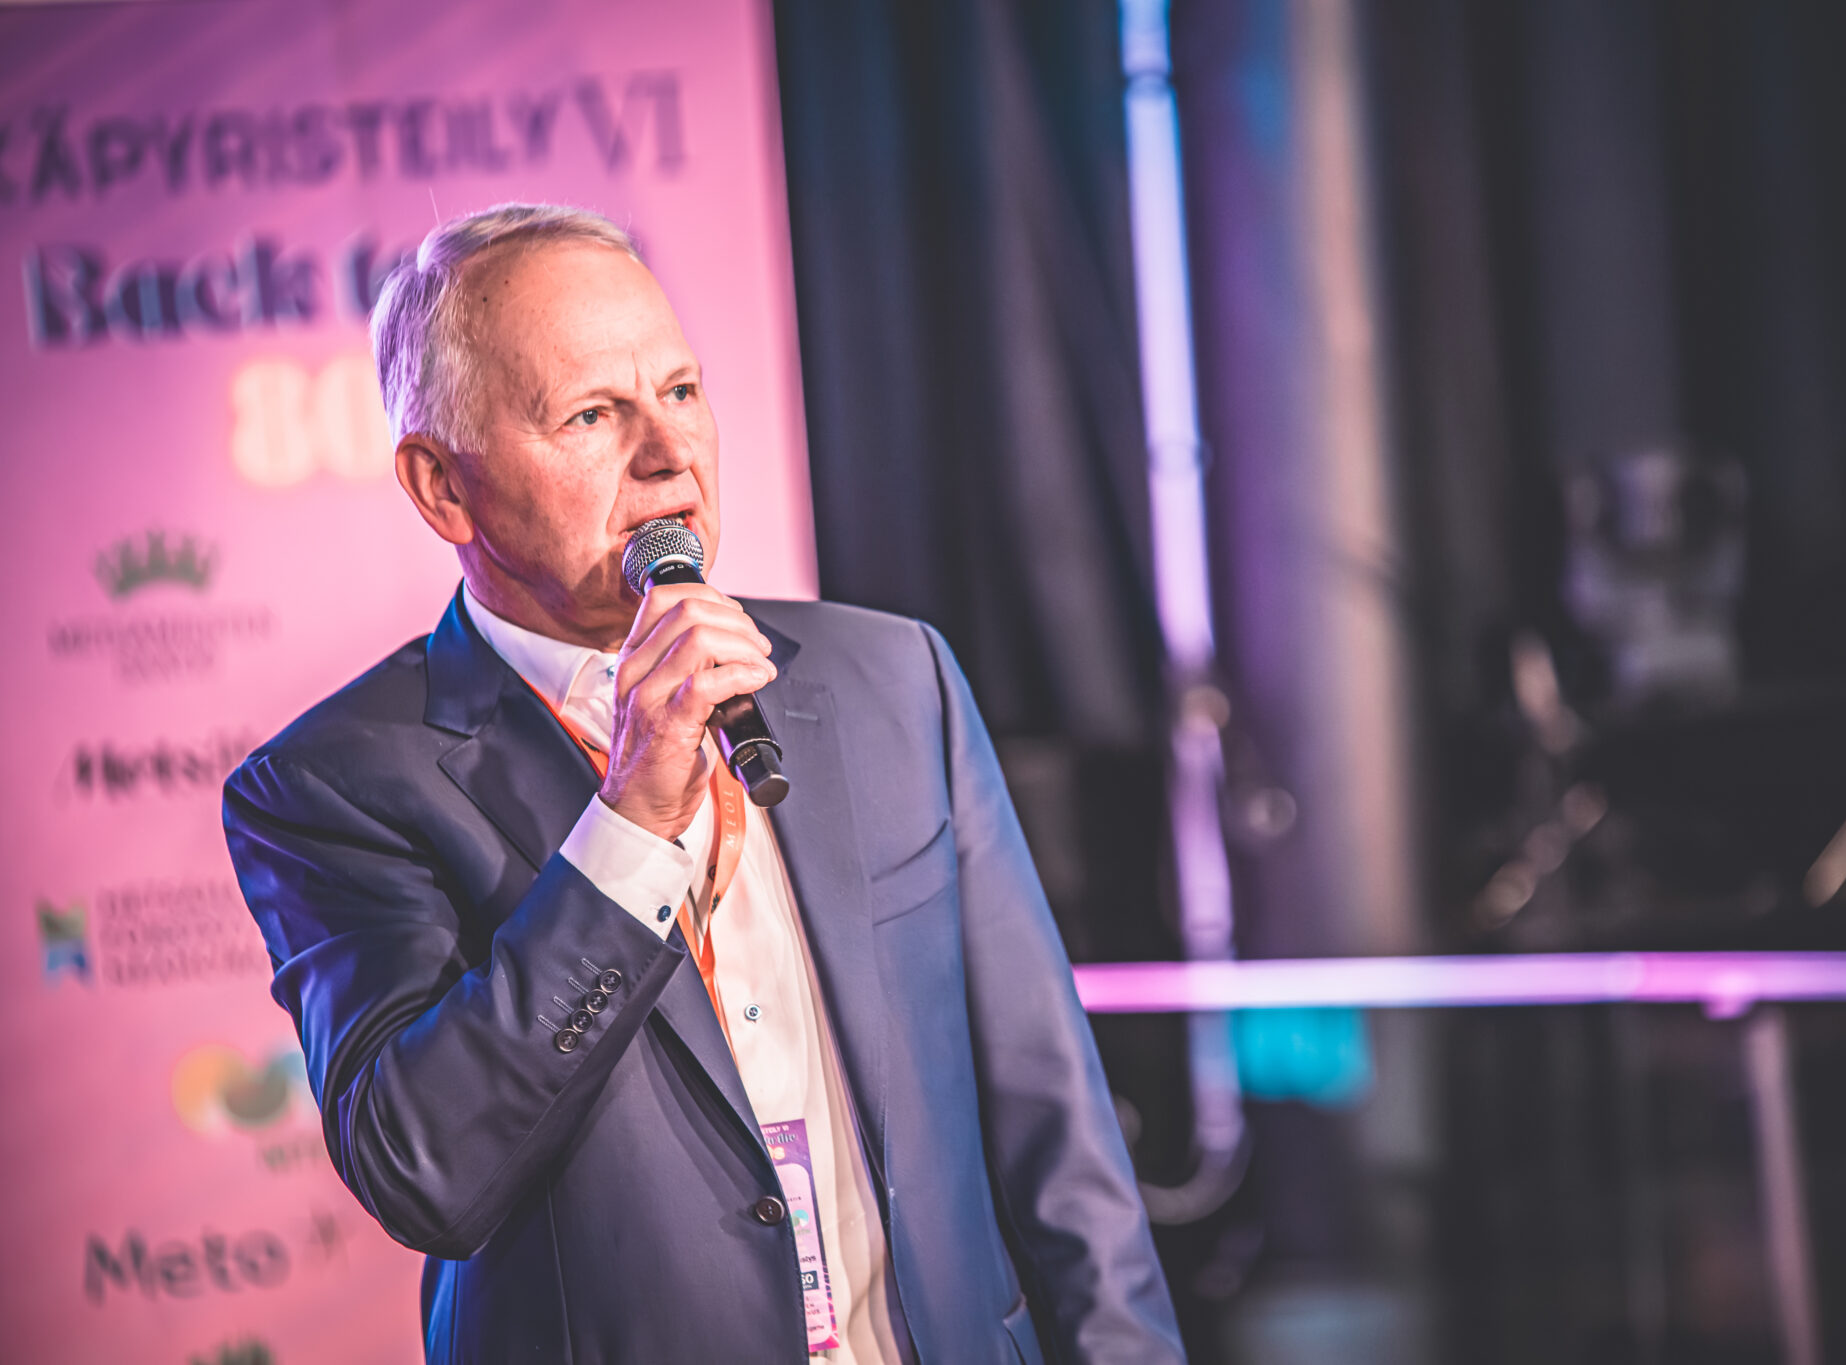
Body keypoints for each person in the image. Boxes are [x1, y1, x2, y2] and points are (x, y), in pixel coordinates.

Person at [222, 204, 1184, 1364]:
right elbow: (423, 1170)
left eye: (679, 391)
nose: (668, 452)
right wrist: (629, 819)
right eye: (591, 414)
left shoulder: (893, 680)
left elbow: (1055, 1125)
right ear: (444, 489)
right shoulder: (335, 786)